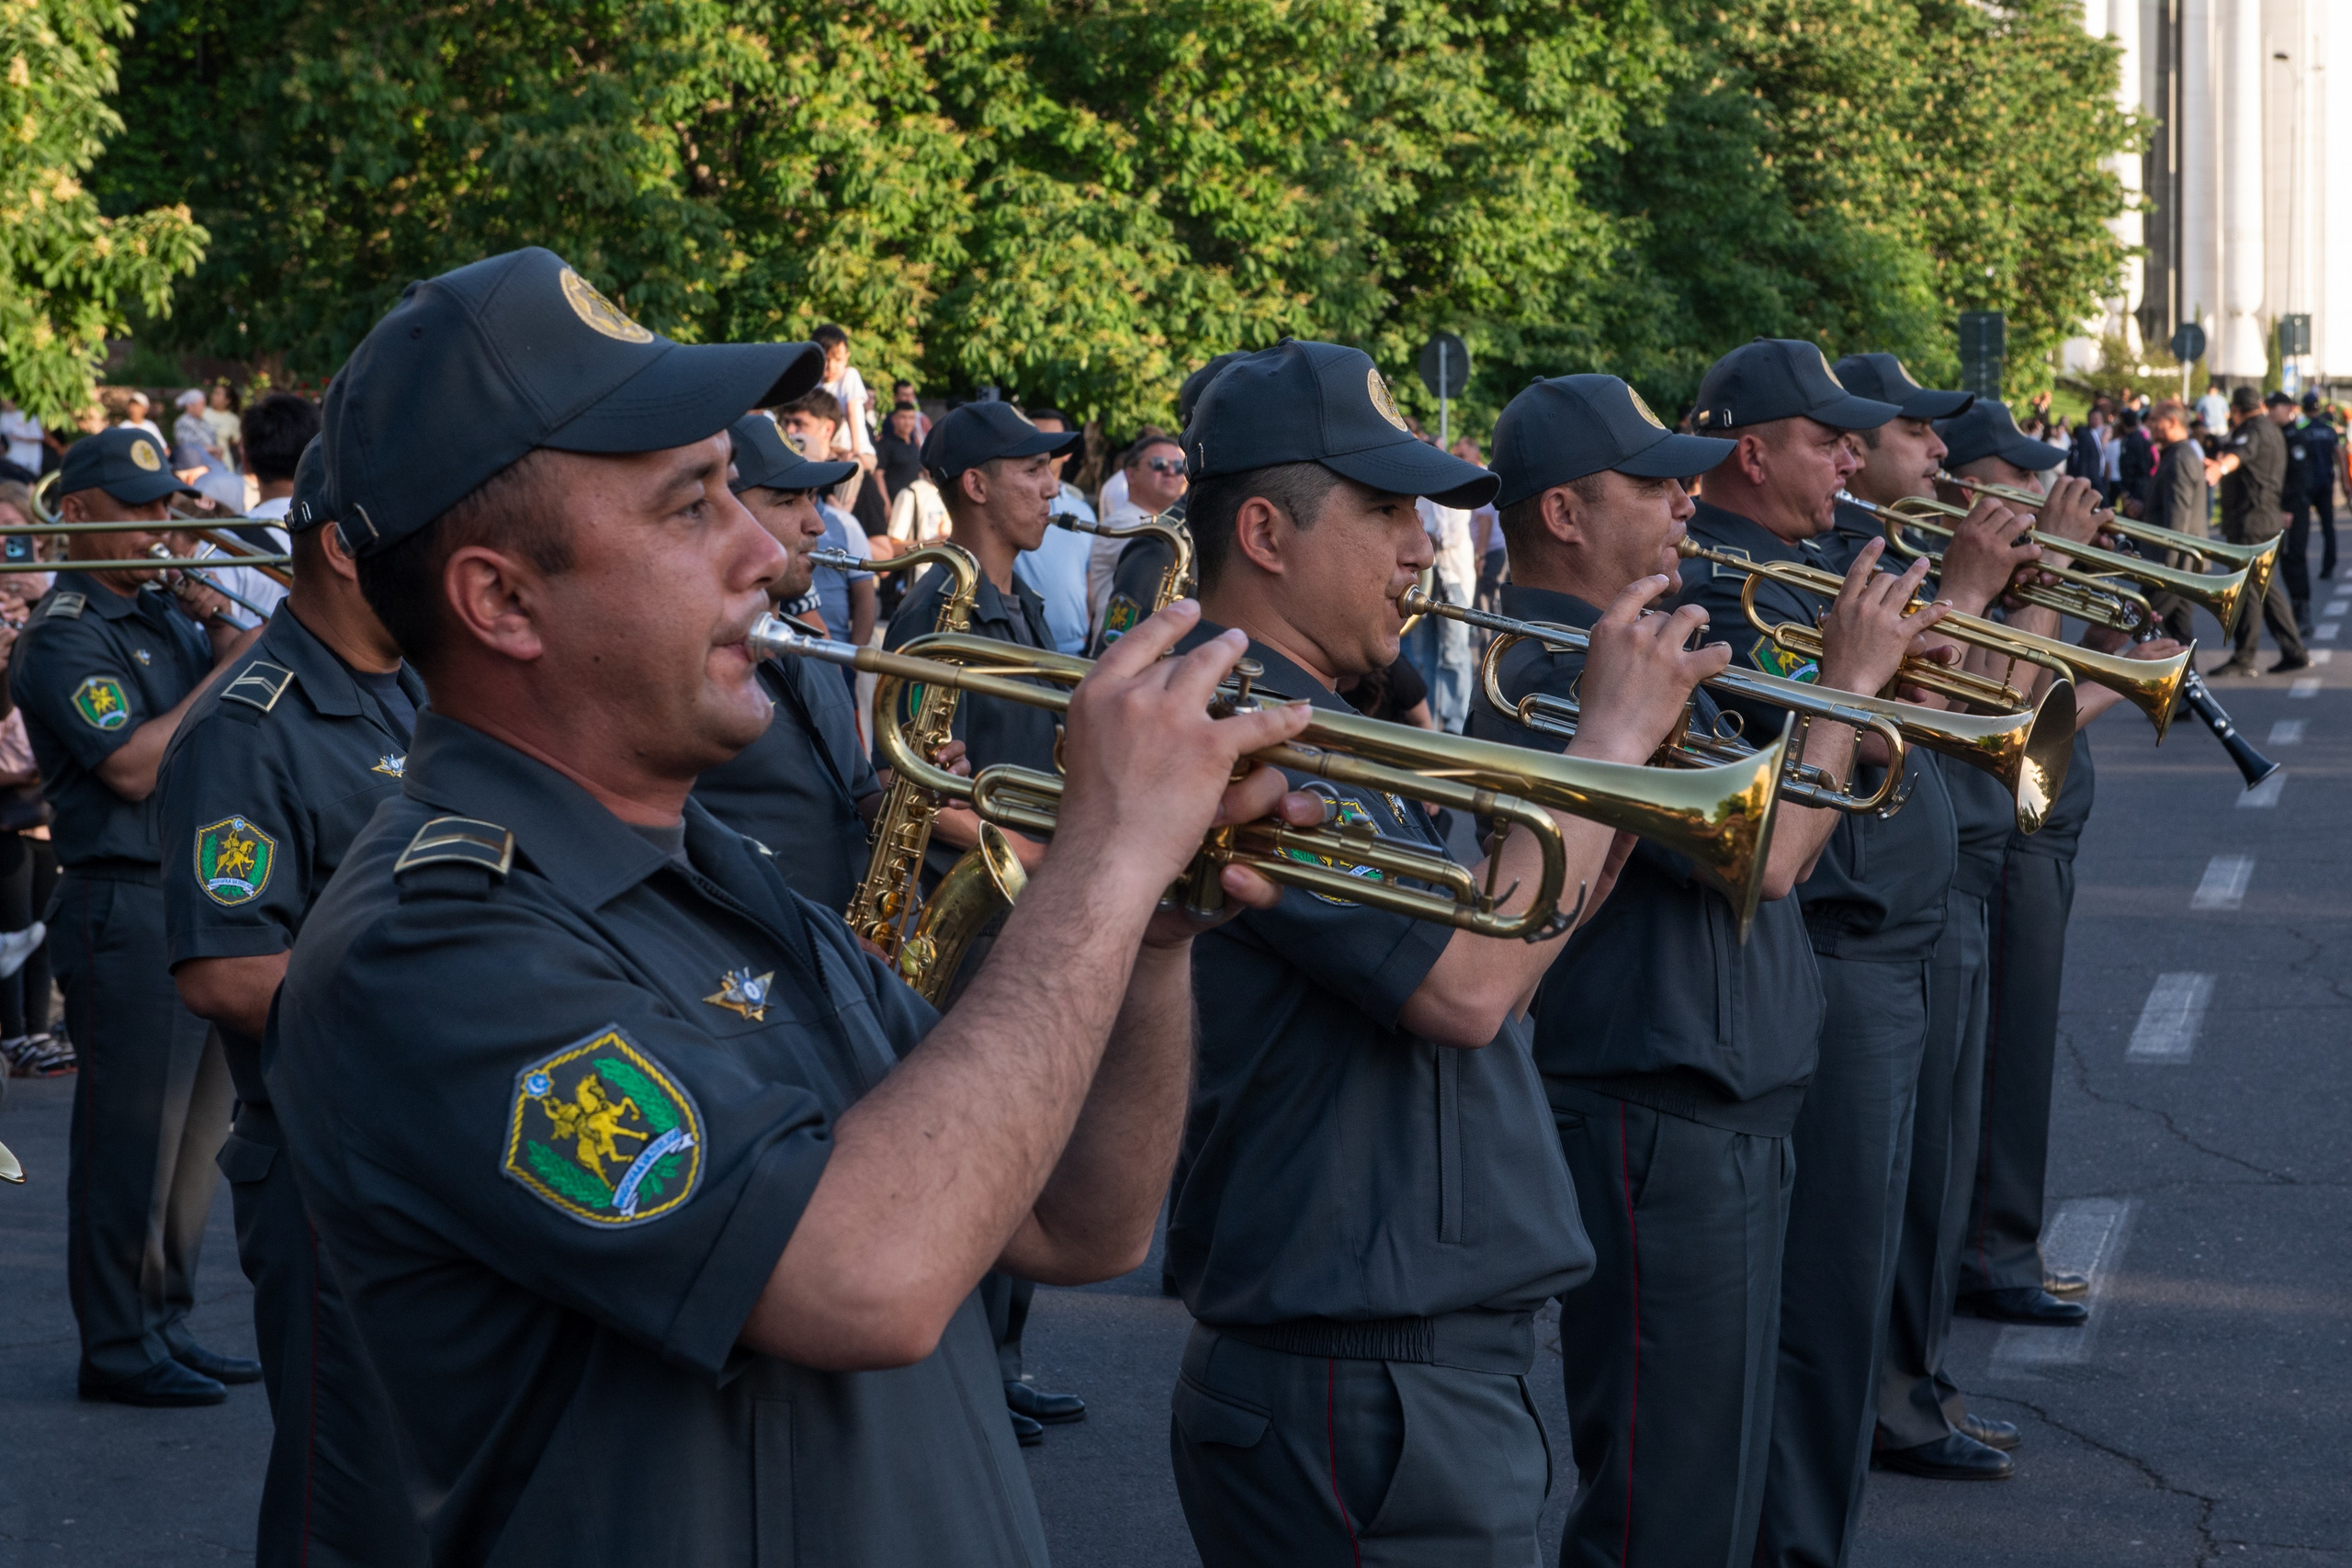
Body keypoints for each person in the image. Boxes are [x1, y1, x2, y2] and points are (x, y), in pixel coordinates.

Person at [269, 244, 1315, 1562]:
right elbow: (864, 1276)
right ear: (503, 599)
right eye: (691, 505)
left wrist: (1157, 919)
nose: (769, 551)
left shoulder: (717, 876)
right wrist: (1108, 853)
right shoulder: (434, 939)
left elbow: (1078, 1216)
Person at [1165, 339, 1718, 1565]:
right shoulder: (1248, 732)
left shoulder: (1324, 720)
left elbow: (1495, 964)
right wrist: (1610, 747)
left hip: (1408, 1362)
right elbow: (1466, 986)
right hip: (1363, 1379)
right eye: (1386, 510)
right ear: (1265, 531)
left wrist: (1602, 823)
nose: (1424, 545)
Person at [1474, 370, 1942, 1564]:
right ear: (1566, 514)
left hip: (1723, 1108)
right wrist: (1846, 686)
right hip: (1653, 1116)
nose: (1687, 497)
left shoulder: (1635, 656)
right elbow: (1777, 854)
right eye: (1652, 480)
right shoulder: (1547, 676)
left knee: (1721, 1486)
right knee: (1663, 1504)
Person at [1676, 342, 1975, 1554]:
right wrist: (1861, 676)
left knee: (1850, 1295)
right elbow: (1788, 784)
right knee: (1821, 1304)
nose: (1854, 456)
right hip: (1833, 950)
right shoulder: (1721, 579)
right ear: (1754, 449)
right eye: (1828, 439)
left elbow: (1933, 720)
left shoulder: (1816, 563)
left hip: (1892, 949)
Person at [157, 442, 428, 1568]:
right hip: (331, 1171)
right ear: (348, 551)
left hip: (429, 1154)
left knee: (434, 1488)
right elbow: (225, 972)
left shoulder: (415, 685)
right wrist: (451, 1018)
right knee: (350, 1508)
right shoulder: (249, 725)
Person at [10, 425, 261, 1406]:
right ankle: (118, 1346)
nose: (166, 524)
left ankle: (166, 1319)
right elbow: (135, 763)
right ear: (77, 516)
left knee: (194, 1147)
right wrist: (233, 657)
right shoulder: (65, 631)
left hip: (192, 894)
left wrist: (229, 628)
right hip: (122, 896)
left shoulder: (164, 610)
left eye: (170, 505)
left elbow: (231, 715)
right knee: (130, 1145)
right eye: (144, 509)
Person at [1939, 401, 2182, 1338]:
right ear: (1969, 484)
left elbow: (2049, 677)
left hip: (2039, 820)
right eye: (2018, 475)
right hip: (2008, 829)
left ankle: (2001, 1245)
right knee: (2006, 1054)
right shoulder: (1976, 571)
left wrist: (2120, 634)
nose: (2040, 490)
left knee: (2017, 1050)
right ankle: (1992, 1252)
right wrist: (2114, 675)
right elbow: (2011, 723)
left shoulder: (2008, 567)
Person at [882, 399, 1093, 1442]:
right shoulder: (942, 605)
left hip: (1022, 900)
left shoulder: (1021, 603)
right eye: (1033, 470)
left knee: (1025, 1146)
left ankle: (1000, 1362)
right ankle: (962, 1376)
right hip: (965, 909)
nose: (1053, 484)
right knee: (975, 1149)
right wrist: (1042, 862)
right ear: (975, 483)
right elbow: (911, 775)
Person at [689, 413, 882, 912]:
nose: (816, 524)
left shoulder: (816, 648)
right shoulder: (686, 663)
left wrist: (917, 795)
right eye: (786, 500)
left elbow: (857, 791)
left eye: (813, 500)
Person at [2205, 386, 2309, 675]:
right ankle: (2293, 650)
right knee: (2264, 587)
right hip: (2266, 518)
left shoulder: (2252, 430)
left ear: (2235, 410)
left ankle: (2245, 658)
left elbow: (2241, 452)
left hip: (2251, 520)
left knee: (2248, 589)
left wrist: (2220, 468)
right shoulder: (2273, 430)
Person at [1013, 408, 1096, 655]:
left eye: (1051, 441)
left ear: (1067, 451)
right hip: (1018, 649)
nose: (1042, 449)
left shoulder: (1082, 510)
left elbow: (1088, 577)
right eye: (1034, 438)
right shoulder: (1008, 506)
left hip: (1075, 650)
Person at [1087, 432, 1186, 628]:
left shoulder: (1165, 522)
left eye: (1178, 466)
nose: (1170, 472)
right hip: (1116, 648)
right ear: (1130, 474)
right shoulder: (1120, 523)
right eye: (1159, 463)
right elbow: (1159, 555)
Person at [2135, 399, 2211, 648]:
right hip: (2179, 564)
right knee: (2178, 636)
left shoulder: (2179, 457)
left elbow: (2178, 521)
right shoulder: (2177, 454)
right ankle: (2189, 686)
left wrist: (2166, 574)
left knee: (2144, 625)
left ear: (2172, 422)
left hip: (2173, 566)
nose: (2150, 425)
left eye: (2155, 420)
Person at [2301, 392, 2339, 581]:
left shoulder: (2302, 429)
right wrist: (2347, 485)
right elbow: (2339, 455)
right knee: (2328, 527)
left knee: (2303, 528)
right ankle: (2328, 567)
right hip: (2326, 482)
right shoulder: (2329, 429)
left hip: (2307, 484)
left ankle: (2301, 566)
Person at [0, 397, 43, 479]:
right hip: (9, 460)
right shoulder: (3, 417)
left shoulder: (26, 415)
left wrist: (20, 438)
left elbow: (38, 437)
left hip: (27, 464)